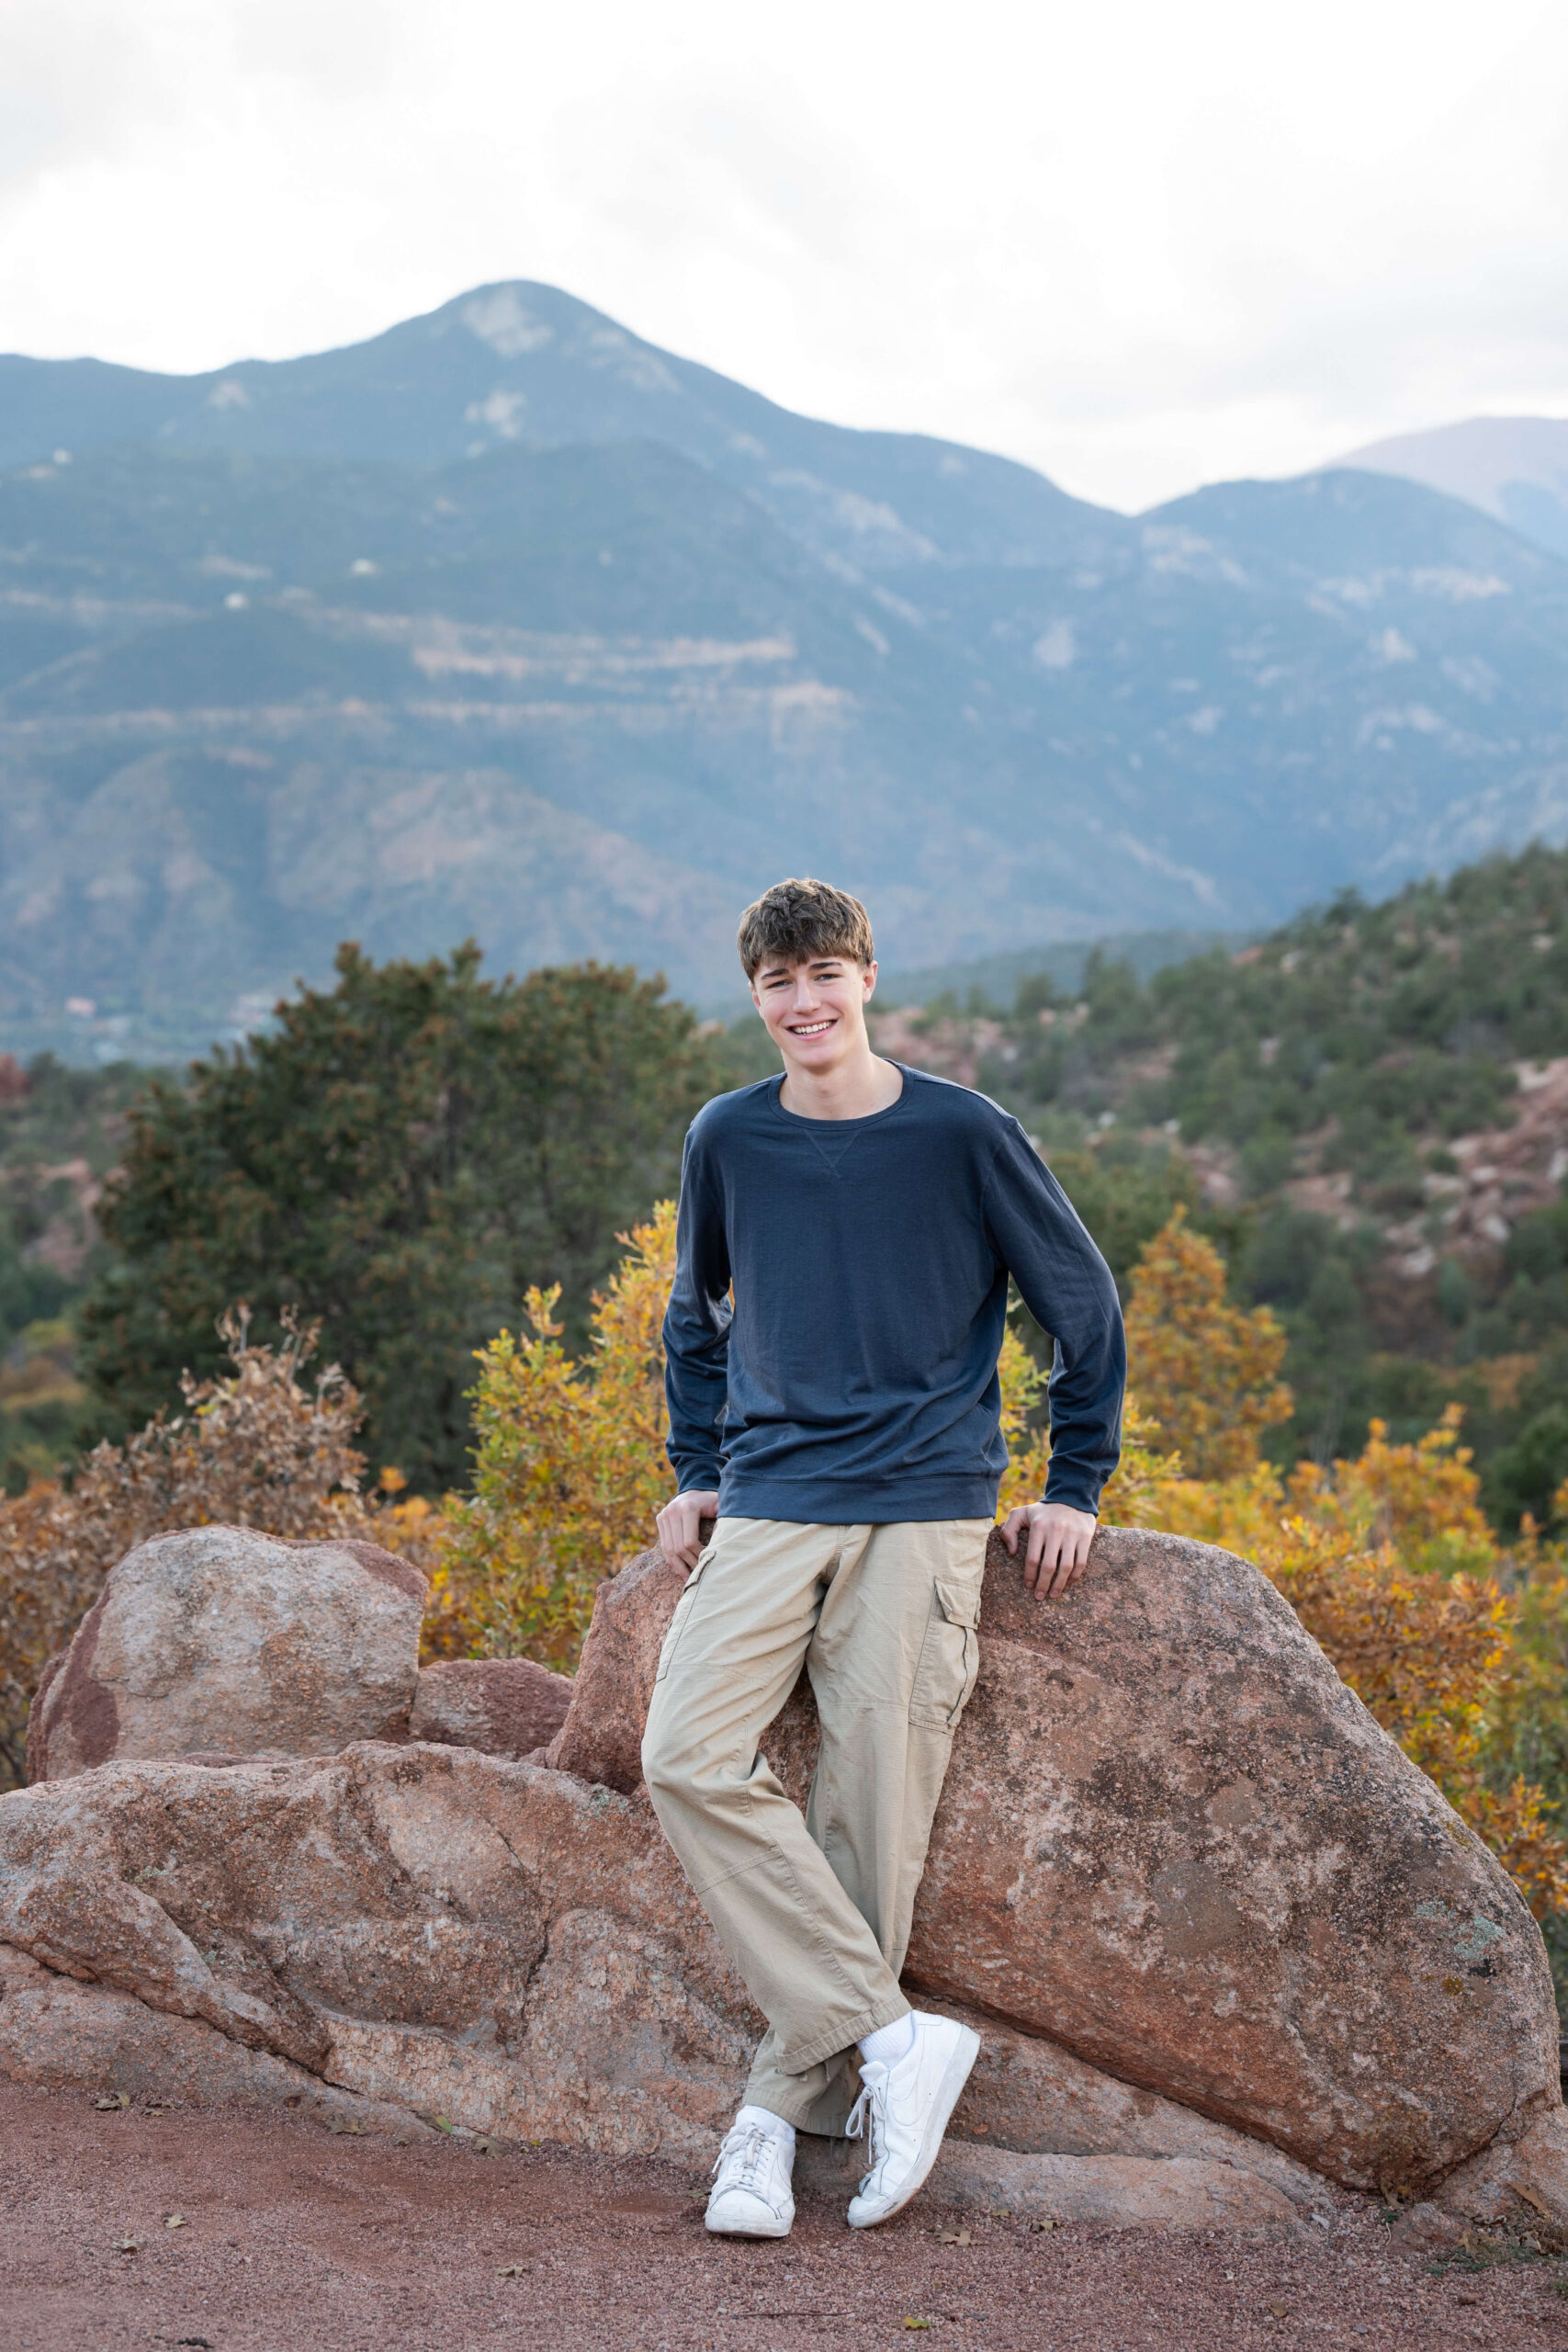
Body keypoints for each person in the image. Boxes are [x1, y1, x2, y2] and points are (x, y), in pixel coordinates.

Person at [641, 876, 1125, 2239]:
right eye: (778, 984)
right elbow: (696, 1318)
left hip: (923, 1507)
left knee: (870, 1817)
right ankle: (889, 2039)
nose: (805, 1003)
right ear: (756, 1000)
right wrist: (695, 1471)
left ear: (867, 978)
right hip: (777, 1495)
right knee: (682, 1752)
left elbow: (1080, 1310)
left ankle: (762, 2131)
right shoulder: (728, 1136)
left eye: (824, 975)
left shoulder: (963, 1134)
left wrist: (1072, 1484)